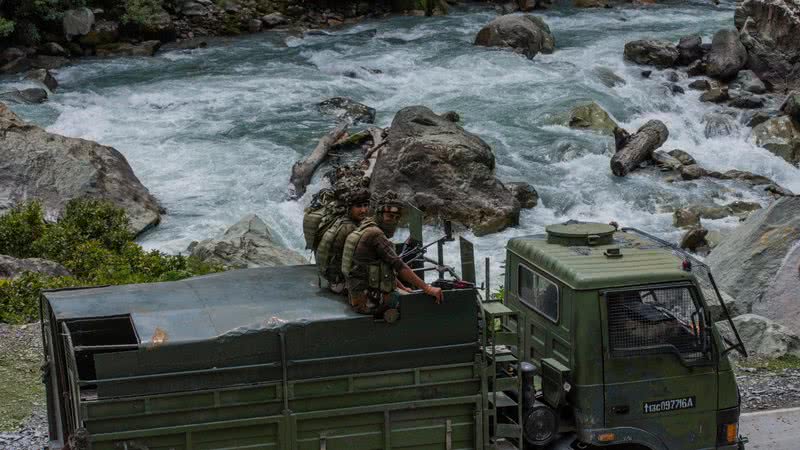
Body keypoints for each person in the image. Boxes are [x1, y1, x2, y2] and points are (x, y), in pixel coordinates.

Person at [342, 191, 443, 315]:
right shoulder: (375, 234)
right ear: (379, 215)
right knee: (416, 306)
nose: (393, 221)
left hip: (357, 294)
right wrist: (428, 288)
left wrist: (401, 287)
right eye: (389, 216)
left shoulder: (365, 225)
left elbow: (384, 267)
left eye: (396, 217)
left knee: (405, 290)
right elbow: (399, 266)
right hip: (368, 301)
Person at [316, 177, 371, 294]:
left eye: (366, 205)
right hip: (340, 283)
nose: (363, 210)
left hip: (332, 278)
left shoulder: (341, 220)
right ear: (349, 208)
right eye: (359, 206)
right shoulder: (349, 228)